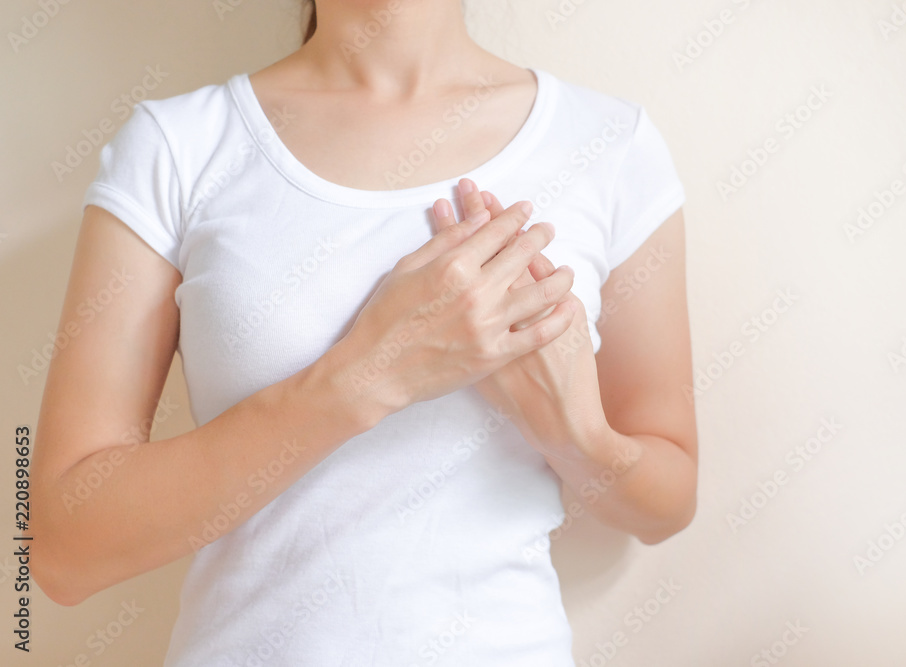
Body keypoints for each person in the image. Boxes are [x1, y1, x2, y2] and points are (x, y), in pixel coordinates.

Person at [30, 0, 698, 664]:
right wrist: (371, 374)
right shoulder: (176, 146)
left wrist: (575, 435)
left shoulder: (610, 143)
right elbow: (64, 547)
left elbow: (667, 506)